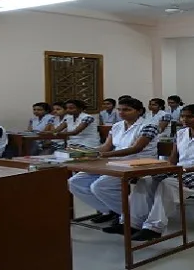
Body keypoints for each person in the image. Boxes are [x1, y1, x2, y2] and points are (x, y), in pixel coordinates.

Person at [129, 105, 194, 241]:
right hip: (182, 169)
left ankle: (153, 228)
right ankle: (133, 223)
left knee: (168, 183)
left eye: (190, 116)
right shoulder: (181, 133)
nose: (185, 120)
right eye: (183, 116)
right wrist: (166, 169)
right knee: (145, 180)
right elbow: (173, 158)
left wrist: (185, 170)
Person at [68, 98, 160, 233]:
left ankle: (131, 218)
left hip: (139, 162)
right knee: (75, 182)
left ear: (139, 111)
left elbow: (136, 148)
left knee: (100, 186)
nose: (122, 112)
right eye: (120, 109)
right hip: (114, 161)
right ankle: (111, 211)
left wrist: (104, 156)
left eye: (127, 109)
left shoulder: (149, 125)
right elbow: (106, 147)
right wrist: (86, 153)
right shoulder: (117, 125)